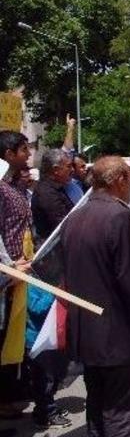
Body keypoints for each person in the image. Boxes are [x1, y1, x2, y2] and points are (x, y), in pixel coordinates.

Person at [60, 156, 130, 437]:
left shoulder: (76, 217)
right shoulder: (119, 217)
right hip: (121, 340)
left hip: (90, 339)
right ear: (119, 180)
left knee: (99, 411)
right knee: (125, 417)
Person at [0, 131, 33, 420]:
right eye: (24, 149)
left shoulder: (15, 186)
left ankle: (9, 395)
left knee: (12, 335)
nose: (29, 154)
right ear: (9, 154)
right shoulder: (0, 188)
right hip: (6, 275)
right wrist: (8, 266)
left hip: (19, 271)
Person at [31, 149, 75, 244]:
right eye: (68, 166)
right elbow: (62, 223)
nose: (72, 170)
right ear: (56, 170)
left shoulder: (56, 188)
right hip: (54, 250)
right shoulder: (46, 193)